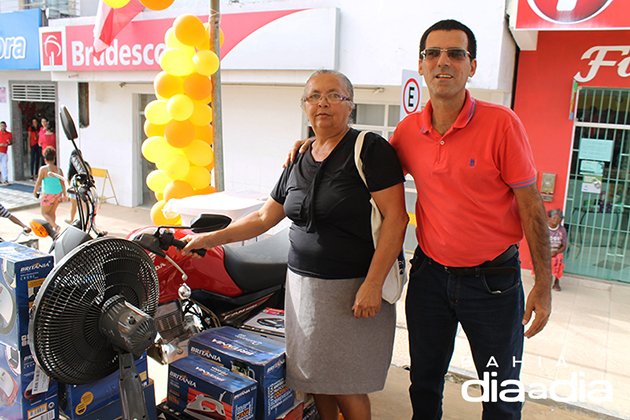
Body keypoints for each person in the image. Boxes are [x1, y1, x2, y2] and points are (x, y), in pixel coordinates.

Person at [287, 19, 552, 420]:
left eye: (455, 53)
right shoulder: (409, 131)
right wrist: (317, 141)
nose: (443, 62)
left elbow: (532, 208)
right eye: (433, 53)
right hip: (431, 278)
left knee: (500, 394)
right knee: (424, 383)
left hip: (493, 282)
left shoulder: (503, 124)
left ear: (472, 66)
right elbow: (363, 168)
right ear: (422, 65)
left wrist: (543, 285)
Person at [182, 70, 408, 420]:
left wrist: (373, 284)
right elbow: (262, 219)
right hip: (303, 288)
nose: (323, 102)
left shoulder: (369, 149)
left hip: (352, 288)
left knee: (347, 385)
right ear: (305, 106)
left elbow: (396, 218)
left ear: (350, 106)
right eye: (314, 96)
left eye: (334, 95)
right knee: (316, 380)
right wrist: (208, 239)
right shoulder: (299, 158)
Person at [33, 146, 66, 232]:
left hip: (48, 194)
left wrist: (35, 191)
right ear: (54, 159)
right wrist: (65, 195)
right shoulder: (59, 170)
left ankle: (55, 226)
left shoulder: (43, 169)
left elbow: (39, 182)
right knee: (52, 213)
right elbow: (63, 183)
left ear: (45, 159)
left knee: (44, 213)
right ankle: (53, 230)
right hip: (58, 193)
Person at [548, 209, 567, 292]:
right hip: (545, 250)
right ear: (550, 218)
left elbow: (564, 246)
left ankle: (556, 281)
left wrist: (556, 252)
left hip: (556, 250)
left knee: (558, 259)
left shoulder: (562, 230)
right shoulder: (544, 227)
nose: (556, 220)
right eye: (554, 217)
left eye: (558, 219)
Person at [0, 121, 13, 185]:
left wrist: (8, 143)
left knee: (4, 166)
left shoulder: (9, 134)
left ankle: (5, 180)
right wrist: (1, 144)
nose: (2, 127)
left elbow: (11, 142)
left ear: (6, 126)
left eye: (3, 126)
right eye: (1, 126)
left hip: (4, 152)